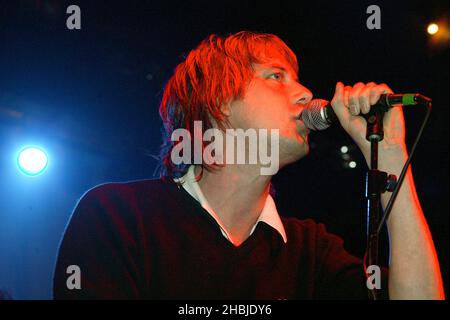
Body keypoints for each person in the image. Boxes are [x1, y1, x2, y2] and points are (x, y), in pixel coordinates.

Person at [53, 31, 444, 299]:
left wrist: (392, 156)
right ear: (219, 100)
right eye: (276, 76)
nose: (306, 93)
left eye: (297, 78)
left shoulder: (309, 253)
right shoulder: (119, 218)